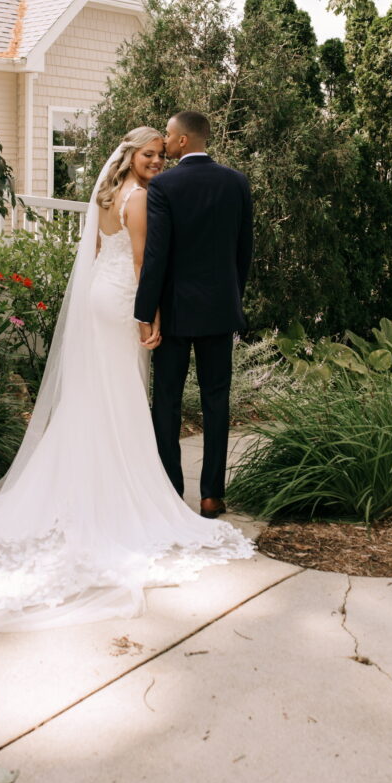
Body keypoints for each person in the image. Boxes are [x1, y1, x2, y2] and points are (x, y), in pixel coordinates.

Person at [0, 127, 253, 632]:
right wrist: (149, 316)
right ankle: (164, 490)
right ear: (131, 157)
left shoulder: (112, 194)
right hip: (136, 303)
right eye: (149, 153)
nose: (157, 158)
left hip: (103, 298)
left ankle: (137, 481)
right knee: (132, 394)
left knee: (111, 395)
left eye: (160, 150)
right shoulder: (162, 194)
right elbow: (149, 259)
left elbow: (129, 255)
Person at [135, 111, 253, 520]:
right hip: (220, 312)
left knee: (165, 401)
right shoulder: (237, 182)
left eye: (168, 136)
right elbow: (244, 252)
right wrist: (230, 298)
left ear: (183, 141)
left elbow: (156, 257)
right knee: (215, 401)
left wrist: (145, 312)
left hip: (175, 313)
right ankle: (211, 497)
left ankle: (171, 491)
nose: (164, 143)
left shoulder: (164, 185)